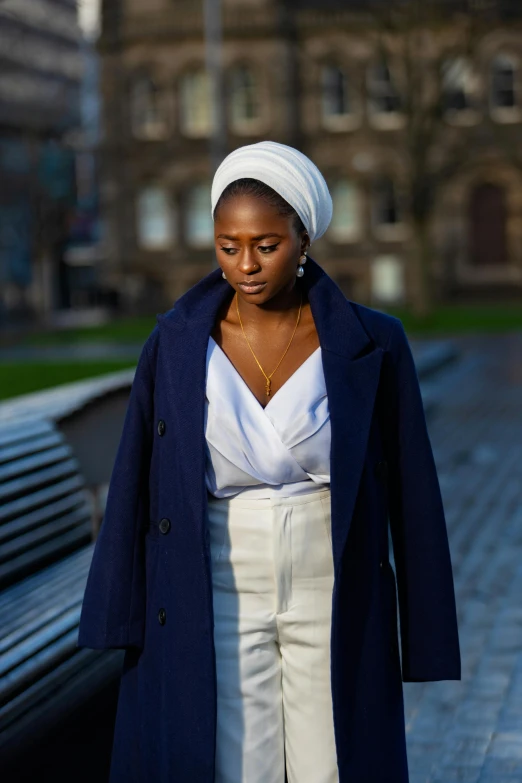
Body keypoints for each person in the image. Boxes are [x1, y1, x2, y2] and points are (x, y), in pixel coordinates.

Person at [77, 141, 461, 783]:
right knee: (235, 766)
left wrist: (425, 631)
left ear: (303, 238)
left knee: (333, 765)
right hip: (218, 584)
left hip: (333, 584)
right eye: (228, 246)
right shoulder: (174, 344)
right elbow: (136, 480)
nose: (245, 265)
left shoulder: (374, 341)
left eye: (266, 245)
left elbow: (415, 495)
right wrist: (117, 612)